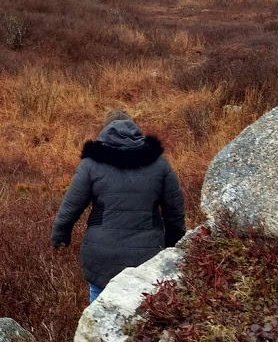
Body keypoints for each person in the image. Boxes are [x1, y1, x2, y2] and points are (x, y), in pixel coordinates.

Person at [51, 110, 186, 304]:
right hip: (147, 256)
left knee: (100, 309)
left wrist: (60, 234)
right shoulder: (159, 164)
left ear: (104, 130)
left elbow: (71, 206)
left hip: (102, 258)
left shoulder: (91, 164)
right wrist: (174, 242)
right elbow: (174, 210)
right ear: (135, 129)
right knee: (143, 312)